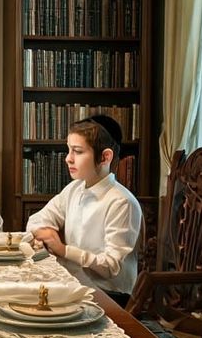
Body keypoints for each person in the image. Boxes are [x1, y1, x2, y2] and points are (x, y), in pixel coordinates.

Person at [24, 114, 141, 300]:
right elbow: (36, 220)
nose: (68, 159)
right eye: (69, 150)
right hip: (73, 282)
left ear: (105, 157)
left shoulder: (121, 202)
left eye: (77, 151)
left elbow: (111, 266)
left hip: (109, 295)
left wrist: (63, 250)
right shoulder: (74, 188)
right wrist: (49, 232)